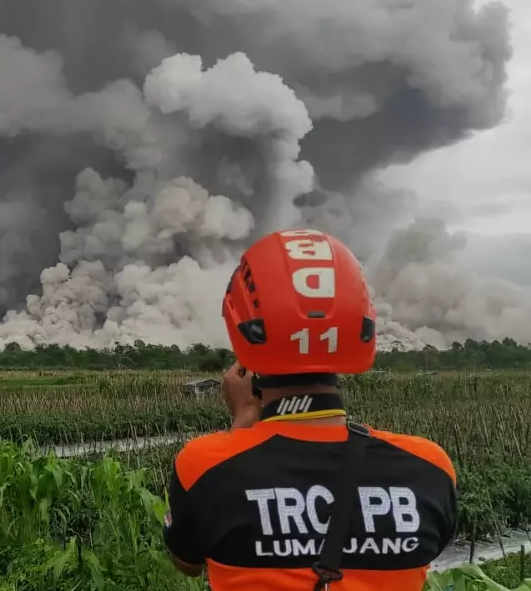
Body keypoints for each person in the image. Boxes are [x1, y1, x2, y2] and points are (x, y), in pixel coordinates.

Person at [163, 229, 457, 591]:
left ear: (246, 340)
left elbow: (188, 561)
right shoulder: (430, 468)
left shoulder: (204, 465)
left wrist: (242, 423)